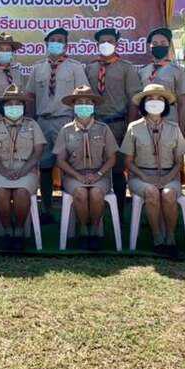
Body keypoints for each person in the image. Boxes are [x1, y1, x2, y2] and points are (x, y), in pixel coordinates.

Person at [24, 27, 87, 217]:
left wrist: (79, 123)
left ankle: (73, 211)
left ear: (66, 45)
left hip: (66, 121)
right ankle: (47, 209)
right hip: (42, 122)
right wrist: (30, 122)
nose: (56, 43)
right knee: (45, 167)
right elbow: (30, 96)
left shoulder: (75, 67)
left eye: (60, 40)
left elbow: (83, 96)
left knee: (69, 166)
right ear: (46, 43)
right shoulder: (38, 68)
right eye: (53, 40)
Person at [120, 84, 185, 259]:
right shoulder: (134, 127)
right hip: (140, 176)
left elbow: (179, 162)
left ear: (165, 104)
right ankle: (157, 237)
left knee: (169, 194)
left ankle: (170, 237)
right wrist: (145, 177)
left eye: (159, 98)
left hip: (169, 175)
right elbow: (128, 162)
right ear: (143, 103)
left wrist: (168, 177)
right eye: (150, 98)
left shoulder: (174, 128)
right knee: (151, 192)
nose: (155, 102)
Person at [53, 85, 119, 251]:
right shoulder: (66, 130)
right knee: (81, 193)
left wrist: (98, 174)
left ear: (93, 105)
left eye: (88, 102)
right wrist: (77, 176)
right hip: (74, 176)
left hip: (99, 175)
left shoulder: (103, 129)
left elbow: (112, 158)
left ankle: (94, 230)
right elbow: (60, 160)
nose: (84, 105)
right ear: (73, 106)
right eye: (79, 102)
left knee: (96, 193)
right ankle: (83, 230)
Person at [0, 84, 46, 251]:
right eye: (9, 104)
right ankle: (7, 230)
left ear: (23, 106)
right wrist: (3, 171)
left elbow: (38, 151)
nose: (13, 107)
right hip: (1, 170)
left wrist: (23, 171)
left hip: (26, 170)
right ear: (3, 107)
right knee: (0, 193)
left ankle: (18, 230)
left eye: (17, 104)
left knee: (21, 193)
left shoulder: (32, 125)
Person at [84, 27, 138, 202]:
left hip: (118, 125)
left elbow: (133, 100)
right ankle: (95, 207)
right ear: (97, 45)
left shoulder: (126, 68)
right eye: (102, 42)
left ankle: (119, 210)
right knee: (94, 166)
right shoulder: (90, 68)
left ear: (117, 44)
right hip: (94, 125)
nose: (106, 44)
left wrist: (129, 127)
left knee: (117, 170)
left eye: (110, 41)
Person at [138, 26, 185, 127]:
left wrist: (182, 130)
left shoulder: (178, 71)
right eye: (155, 43)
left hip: (170, 120)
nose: (159, 46)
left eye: (163, 43)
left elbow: (183, 104)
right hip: (146, 121)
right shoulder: (142, 71)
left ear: (169, 46)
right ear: (150, 47)